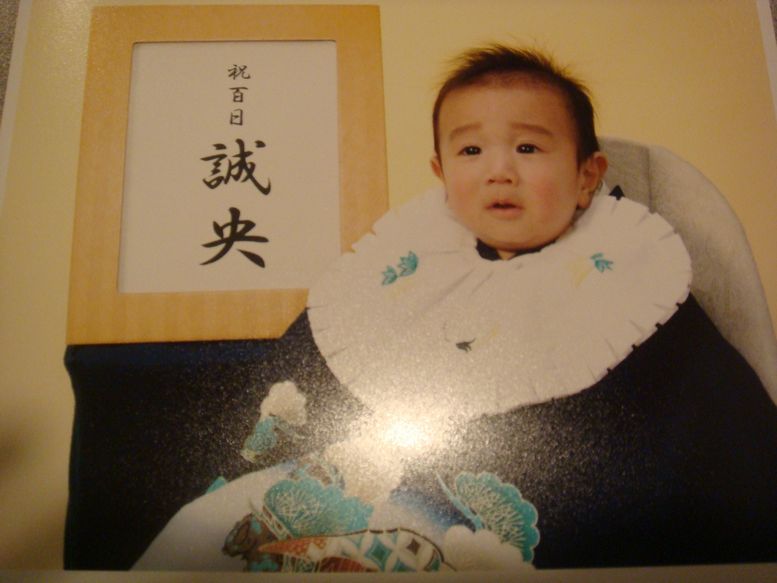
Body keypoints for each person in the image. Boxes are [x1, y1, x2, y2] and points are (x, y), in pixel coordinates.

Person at [134, 45, 777, 572]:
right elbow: (295, 393)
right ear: (441, 173)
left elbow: (710, 429)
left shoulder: (632, 284)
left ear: (587, 176)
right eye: (471, 151)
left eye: (528, 149)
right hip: (366, 496)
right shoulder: (403, 272)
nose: (499, 171)